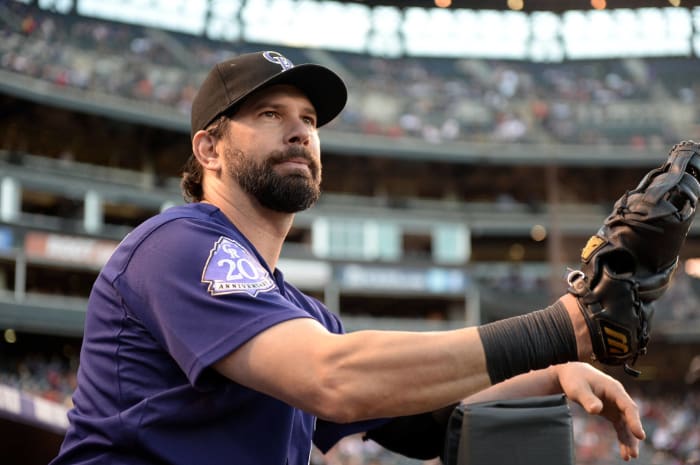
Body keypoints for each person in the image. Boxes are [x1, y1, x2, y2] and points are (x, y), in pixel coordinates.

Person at [50, 51, 645, 465]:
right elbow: (331, 379)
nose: (300, 132)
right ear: (208, 148)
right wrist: (563, 327)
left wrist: (553, 370)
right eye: (269, 115)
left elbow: (424, 410)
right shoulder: (175, 244)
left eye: (308, 120)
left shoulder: (294, 310)